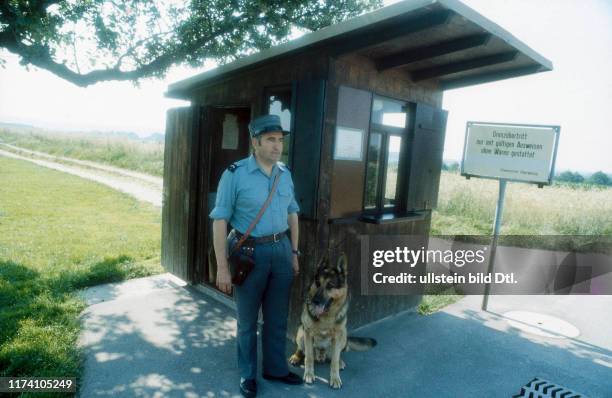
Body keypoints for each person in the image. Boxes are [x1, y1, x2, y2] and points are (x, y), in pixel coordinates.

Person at [209, 114, 303, 398]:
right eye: (271, 140)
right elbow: (219, 220)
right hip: (249, 253)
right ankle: (248, 374)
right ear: (255, 142)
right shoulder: (235, 174)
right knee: (247, 321)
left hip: (281, 250)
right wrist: (222, 267)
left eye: (280, 140)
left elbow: (293, 214)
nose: (277, 146)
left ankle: (275, 368)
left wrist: (295, 252)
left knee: (276, 318)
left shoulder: (285, 174)